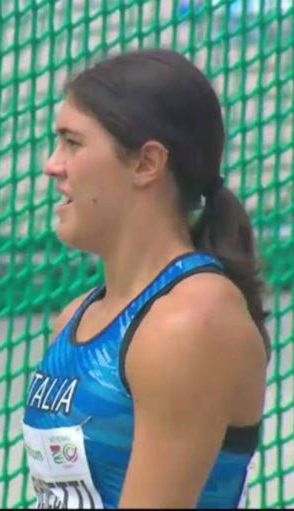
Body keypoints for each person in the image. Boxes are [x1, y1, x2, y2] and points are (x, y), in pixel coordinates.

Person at [22, 48, 270, 509]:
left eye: (72, 143)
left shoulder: (191, 322)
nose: (51, 165)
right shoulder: (75, 318)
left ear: (146, 164)